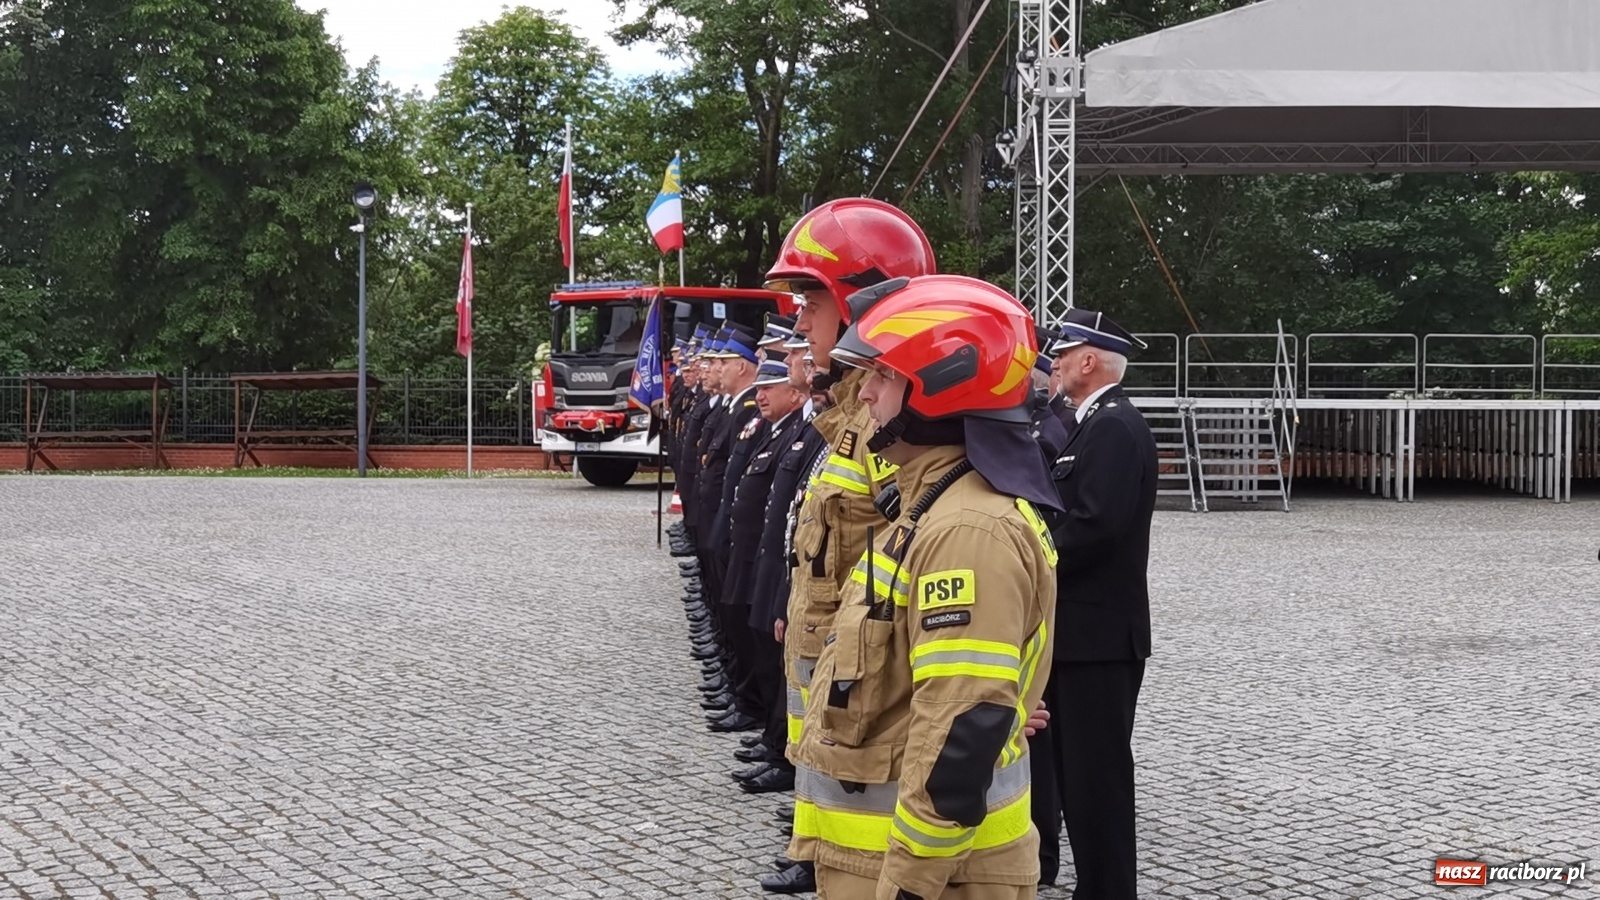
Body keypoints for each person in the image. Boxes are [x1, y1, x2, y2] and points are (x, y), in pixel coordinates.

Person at [789, 274, 1061, 900]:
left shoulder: (965, 530)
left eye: (884, 377)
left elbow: (960, 730)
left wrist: (909, 887)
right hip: (885, 863)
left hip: (932, 879)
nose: (871, 396)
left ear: (938, 389)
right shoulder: (931, 506)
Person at [760, 197, 939, 896]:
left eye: (810, 298)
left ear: (860, 301)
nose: (798, 319)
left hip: (873, 712)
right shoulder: (852, 417)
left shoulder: (890, 429)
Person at [1036, 308, 1158, 899]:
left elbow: (1093, 526)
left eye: (1063, 353)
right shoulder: (1094, 422)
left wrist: (1029, 560)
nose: (1053, 363)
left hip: (1099, 639)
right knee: (1077, 778)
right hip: (1082, 635)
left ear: (1089, 360)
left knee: (1097, 781)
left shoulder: (1111, 426)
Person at [727, 353, 812, 794]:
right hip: (769, 558)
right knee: (768, 656)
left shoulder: (810, 432)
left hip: (793, 572)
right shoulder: (795, 431)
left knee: (787, 672)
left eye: (770, 387)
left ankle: (785, 754)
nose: (759, 394)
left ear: (795, 394)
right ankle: (777, 743)